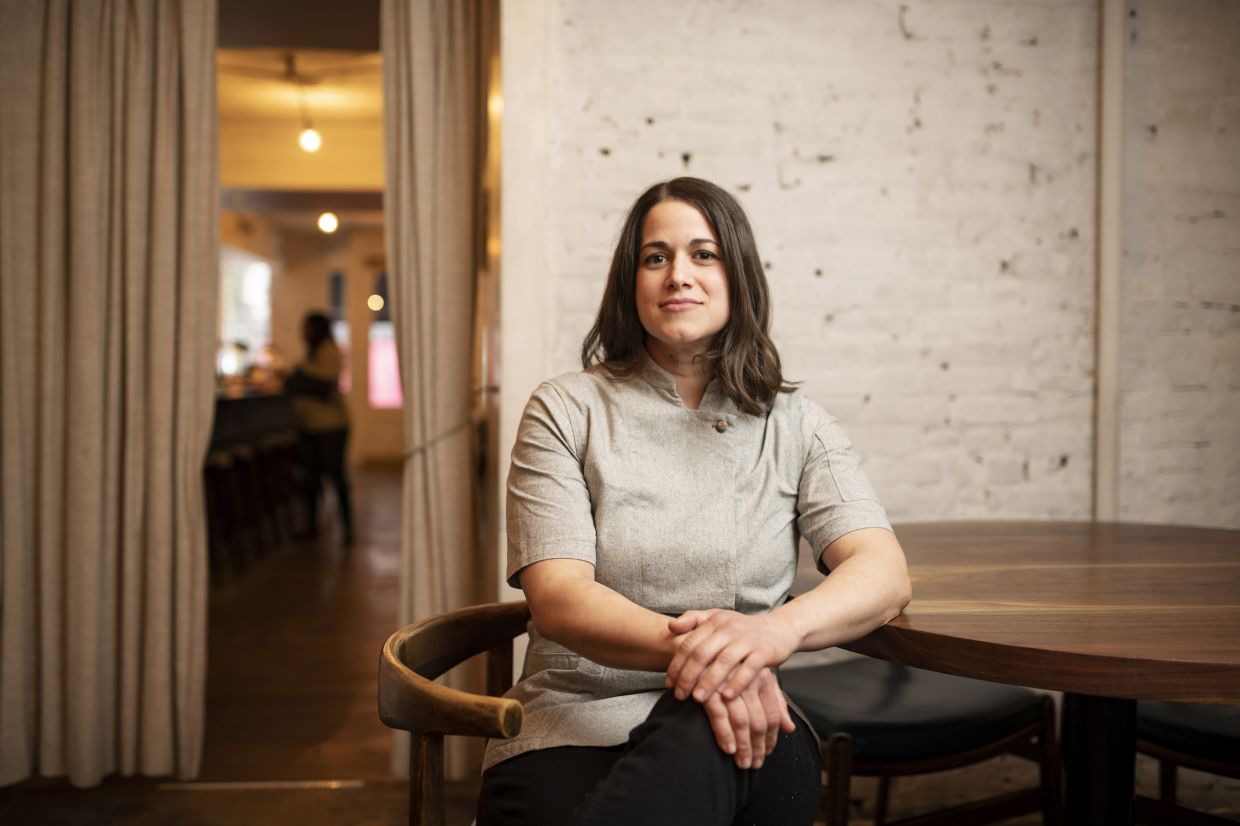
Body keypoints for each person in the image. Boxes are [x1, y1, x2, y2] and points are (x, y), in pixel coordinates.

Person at [476, 178, 911, 825]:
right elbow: (560, 598)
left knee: (712, 726)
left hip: (750, 720)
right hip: (576, 717)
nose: (678, 274)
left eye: (703, 254)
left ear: (738, 274)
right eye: (656, 257)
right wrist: (723, 661)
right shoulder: (564, 410)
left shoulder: (796, 423)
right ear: (632, 281)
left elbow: (884, 573)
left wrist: (769, 635)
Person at [285, 311, 354, 546]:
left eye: (308, 328)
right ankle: (312, 526)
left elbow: (323, 387)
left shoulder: (330, 350)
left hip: (331, 426)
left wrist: (297, 379)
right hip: (310, 425)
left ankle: (347, 528)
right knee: (311, 478)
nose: (304, 333)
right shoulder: (313, 353)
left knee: (336, 476)